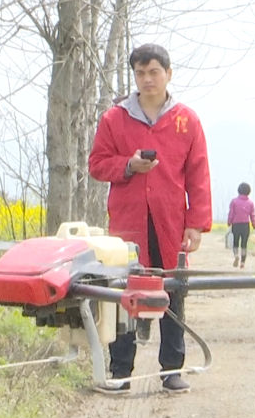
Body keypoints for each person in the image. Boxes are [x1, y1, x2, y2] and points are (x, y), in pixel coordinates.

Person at [88, 43, 212, 394]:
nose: (147, 79)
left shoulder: (187, 120)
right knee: (124, 293)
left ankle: (172, 370)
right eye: (140, 73)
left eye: (154, 72)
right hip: (127, 223)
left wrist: (196, 224)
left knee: (173, 290)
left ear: (168, 74)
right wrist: (128, 165)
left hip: (171, 222)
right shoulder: (114, 119)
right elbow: (97, 164)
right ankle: (120, 371)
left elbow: (198, 175)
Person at [226, 182, 255, 268]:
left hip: (236, 225)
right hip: (245, 225)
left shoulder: (234, 201)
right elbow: (252, 215)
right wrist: (254, 225)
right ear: (249, 191)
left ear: (239, 190)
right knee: (244, 244)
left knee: (236, 242)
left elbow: (231, 213)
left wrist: (229, 222)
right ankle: (243, 262)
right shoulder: (250, 203)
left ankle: (236, 255)